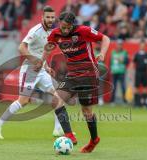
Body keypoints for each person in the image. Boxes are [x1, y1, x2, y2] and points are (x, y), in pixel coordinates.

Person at [0, 6, 64, 139]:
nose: (50, 19)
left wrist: (46, 67)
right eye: (48, 17)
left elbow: (40, 52)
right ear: (42, 17)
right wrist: (34, 61)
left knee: (59, 95)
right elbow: (21, 47)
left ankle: (58, 129)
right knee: (23, 101)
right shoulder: (36, 30)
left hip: (40, 70)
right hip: (29, 69)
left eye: (52, 17)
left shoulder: (51, 32)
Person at [44, 11, 110, 153]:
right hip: (72, 75)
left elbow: (105, 38)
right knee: (56, 100)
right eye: (63, 26)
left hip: (88, 74)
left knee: (86, 111)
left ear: (73, 25)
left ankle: (94, 140)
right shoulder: (55, 34)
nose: (66, 30)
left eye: (68, 27)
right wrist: (45, 63)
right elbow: (48, 47)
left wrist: (103, 53)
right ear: (59, 23)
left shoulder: (83, 31)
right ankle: (69, 135)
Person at [131, 41, 147, 106]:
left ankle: (144, 103)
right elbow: (132, 64)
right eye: (141, 45)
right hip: (138, 72)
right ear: (139, 46)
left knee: (145, 87)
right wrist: (131, 73)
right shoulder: (136, 54)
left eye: (143, 45)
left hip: (145, 72)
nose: (142, 47)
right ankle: (137, 103)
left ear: (145, 46)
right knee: (136, 87)